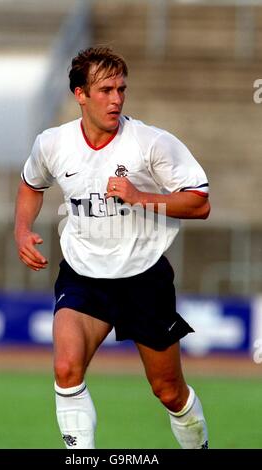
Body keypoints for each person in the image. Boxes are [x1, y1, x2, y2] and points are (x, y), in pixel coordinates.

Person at [14, 46, 210, 449]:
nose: (116, 99)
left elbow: (200, 202)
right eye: (105, 90)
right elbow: (31, 185)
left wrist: (140, 197)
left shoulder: (151, 142)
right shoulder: (52, 143)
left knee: (169, 391)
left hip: (143, 278)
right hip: (83, 276)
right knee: (66, 369)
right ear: (80, 95)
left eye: (121, 88)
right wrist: (21, 230)